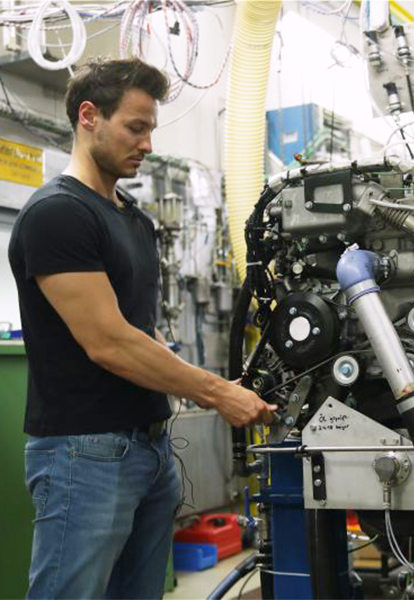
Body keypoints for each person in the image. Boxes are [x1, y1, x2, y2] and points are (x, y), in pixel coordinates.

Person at [8, 57, 276, 599]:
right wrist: (217, 392)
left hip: (149, 449)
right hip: (84, 454)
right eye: (136, 127)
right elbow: (108, 342)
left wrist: (197, 382)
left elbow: (141, 330)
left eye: (151, 128)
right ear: (89, 117)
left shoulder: (132, 217)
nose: (148, 143)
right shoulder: (57, 215)